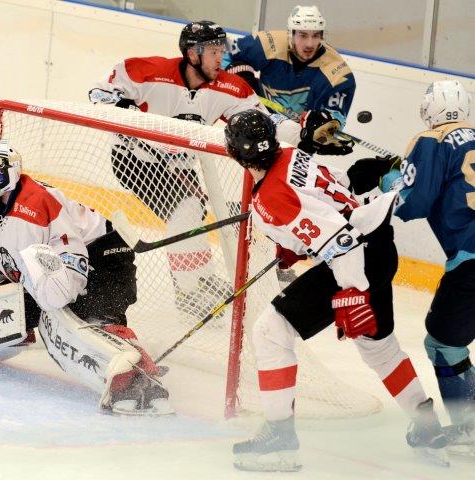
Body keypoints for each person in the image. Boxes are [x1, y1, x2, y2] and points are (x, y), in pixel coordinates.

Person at [223, 109, 448, 471]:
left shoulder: (271, 197)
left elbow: (339, 242)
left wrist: (353, 291)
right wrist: (295, 243)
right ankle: (427, 428)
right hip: (378, 246)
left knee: (270, 331)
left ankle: (279, 441)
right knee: (379, 348)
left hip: (353, 258)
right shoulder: (291, 155)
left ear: (234, 153)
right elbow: (337, 190)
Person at [89, 20, 350, 319]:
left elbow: (266, 123)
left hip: (179, 164)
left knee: (194, 211)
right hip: (134, 158)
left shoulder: (230, 87)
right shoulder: (148, 70)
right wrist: (119, 105)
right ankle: (188, 289)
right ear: (192, 54)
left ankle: (198, 276)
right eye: (213, 52)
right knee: (185, 210)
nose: (220, 58)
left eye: (221, 51)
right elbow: (99, 92)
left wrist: (303, 133)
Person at [0, 139, 173, 416]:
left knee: (83, 318)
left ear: (3, 175)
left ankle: (138, 379)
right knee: (22, 305)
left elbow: (72, 255)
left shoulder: (36, 205)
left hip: (105, 255)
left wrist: (62, 298)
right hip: (54, 267)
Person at [368, 80, 474, 455]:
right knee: (450, 339)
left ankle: (469, 426)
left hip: (471, 259)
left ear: (429, 109)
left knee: (443, 343)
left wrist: (389, 180)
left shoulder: (430, 139)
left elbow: (412, 203)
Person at [225, 5, 355, 129]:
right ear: (291, 34)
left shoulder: (337, 72)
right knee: (236, 68)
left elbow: (336, 118)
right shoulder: (268, 44)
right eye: (303, 35)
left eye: (315, 35)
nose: (309, 44)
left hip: (300, 133)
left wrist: (325, 122)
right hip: (259, 117)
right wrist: (235, 84)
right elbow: (224, 54)